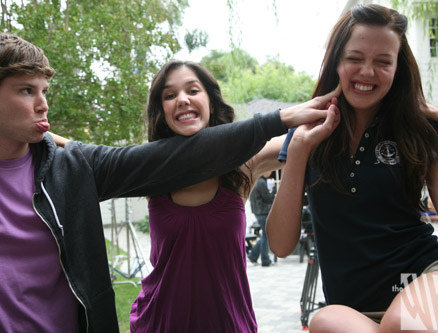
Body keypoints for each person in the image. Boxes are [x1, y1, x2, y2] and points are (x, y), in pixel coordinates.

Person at [0, 33, 343, 332]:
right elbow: (167, 157)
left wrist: (306, 110)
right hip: (158, 321)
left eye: (43, 90)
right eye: (27, 91)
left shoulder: (74, 169)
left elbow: (199, 154)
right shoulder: (133, 168)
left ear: (211, 99)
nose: (43, 104)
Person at [266, 4, 438, 332]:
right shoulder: (306, 134)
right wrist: (298, 152)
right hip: (353, 307)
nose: (367, 72)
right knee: (323, 321)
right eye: (355, 58)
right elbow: (281, 245)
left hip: (428, 276)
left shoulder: (422, 128)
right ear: (336, 62)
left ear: (398, 68)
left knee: (405, 323)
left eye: (383, 62)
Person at [127, 60, 343, 332]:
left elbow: (305, 135)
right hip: (160, 323)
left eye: (193, 90)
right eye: (170, 95)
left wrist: (346, 82)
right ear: (162, 111)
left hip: (229, 323)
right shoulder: (150, 169)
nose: (182, 100)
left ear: (212, 103)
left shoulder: (243, 166)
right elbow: (87, 159)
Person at [248, 170, 276, 267]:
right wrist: (273, 190)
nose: (270, 172)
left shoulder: (256, 181)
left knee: (265, 235)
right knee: (266, 235)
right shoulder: (261, 182)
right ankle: (265, 260)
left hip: (258, 212)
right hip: (263, 212)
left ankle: (253, 256)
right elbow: (268, 198)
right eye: (269, 170)